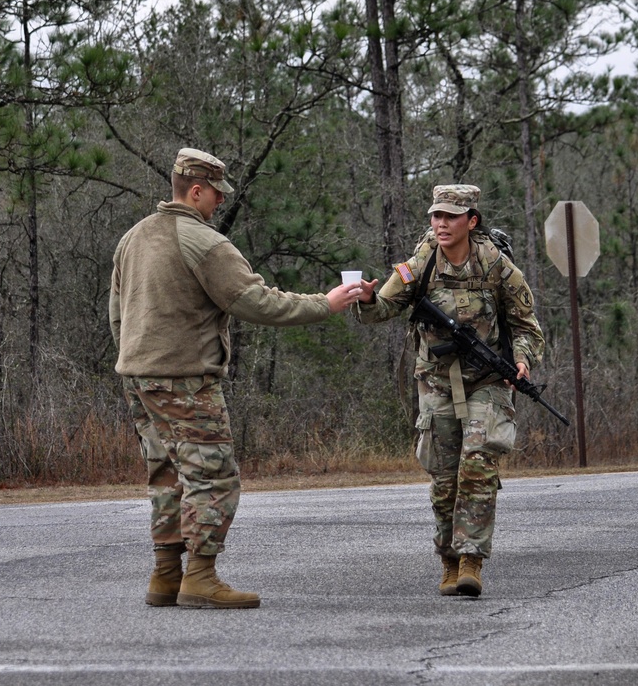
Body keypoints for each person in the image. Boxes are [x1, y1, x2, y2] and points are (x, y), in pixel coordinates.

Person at [109, 147, 362, 610]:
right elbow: (256, 301)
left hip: (138, 378)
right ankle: (200, 578)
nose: (220, 203)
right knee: (213, 479)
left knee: (166, 475)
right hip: (185, 380)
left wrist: (134, 358)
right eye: (216, 195)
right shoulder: (204, 242)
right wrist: (326, 304)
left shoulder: (133, 238)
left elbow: (116, 312)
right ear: (197, 190)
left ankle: (166, 576)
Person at [354, 184, 545, 597]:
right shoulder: (420, 263)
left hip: (488, 382)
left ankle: (471, 559)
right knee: (444, 479)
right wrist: (368, 299)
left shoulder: (497, 266)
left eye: (451, 216)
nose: (441, 223)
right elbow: (383, 309)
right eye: (436, 216)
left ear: (471, 221)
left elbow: (528, 327)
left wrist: (523, 361)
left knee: (477, 464)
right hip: (436, 380)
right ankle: (448, 559)